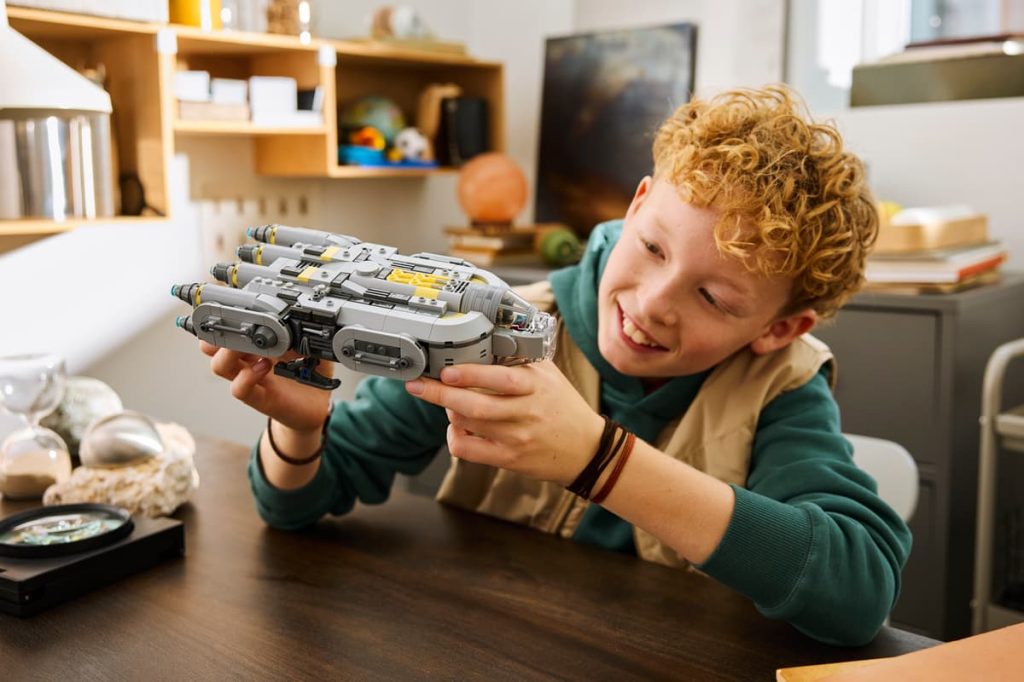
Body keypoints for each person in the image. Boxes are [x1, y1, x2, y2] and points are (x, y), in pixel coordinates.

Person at [200, 85, 910, 647]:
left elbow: (857, 592)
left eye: (714, 296)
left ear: (779, 327)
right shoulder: (486, 325)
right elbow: (291, 508)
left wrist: (597, 458)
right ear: (636, 206)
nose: (653, 303)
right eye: (655, 248)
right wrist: (301, 431)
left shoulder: (783, 385)